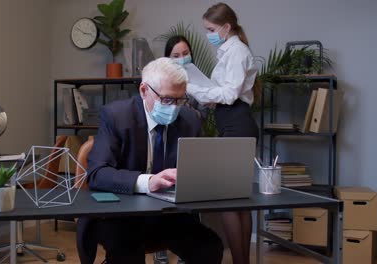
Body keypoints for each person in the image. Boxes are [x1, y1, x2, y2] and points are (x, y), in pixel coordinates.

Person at [76, 57, 223, 264]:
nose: (174, 108)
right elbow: (97, 174)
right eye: (167, 100)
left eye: (180, 100)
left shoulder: (189, 119)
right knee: (127, 253)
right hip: (119, 216)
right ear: (144, 90)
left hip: (167, 216)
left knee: (210, 247)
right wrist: (147, 181)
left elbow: (198, 169)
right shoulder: (116, 116)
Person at [186, 3, 260, 264]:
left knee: (230, 200)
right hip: (233, 123)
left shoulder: (237, 51)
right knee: (237, 200)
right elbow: (225, 91)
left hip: (237, 125)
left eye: (211, 29)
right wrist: (206, 92)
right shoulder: (229, 50)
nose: (208, 34)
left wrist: (195, 89)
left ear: (226, 27)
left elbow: (228, 95)